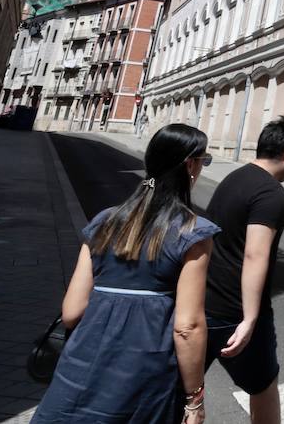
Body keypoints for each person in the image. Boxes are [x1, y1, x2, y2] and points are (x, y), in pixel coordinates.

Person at [33, 124, 218, 424]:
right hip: (145, 376)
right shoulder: (192, 231)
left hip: (81, 368)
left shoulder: (104, 221)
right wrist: (194, 399)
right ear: (190, 165)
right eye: (203, 160)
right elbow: (188, 327)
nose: (202, 168)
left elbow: (71, 311)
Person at [202, 115, 284, 424]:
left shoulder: (235, 178)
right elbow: (255, 255)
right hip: (237, 311)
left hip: (204, 302)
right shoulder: (271, 192)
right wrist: (250, 319)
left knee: (184, 389)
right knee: (263, 387)